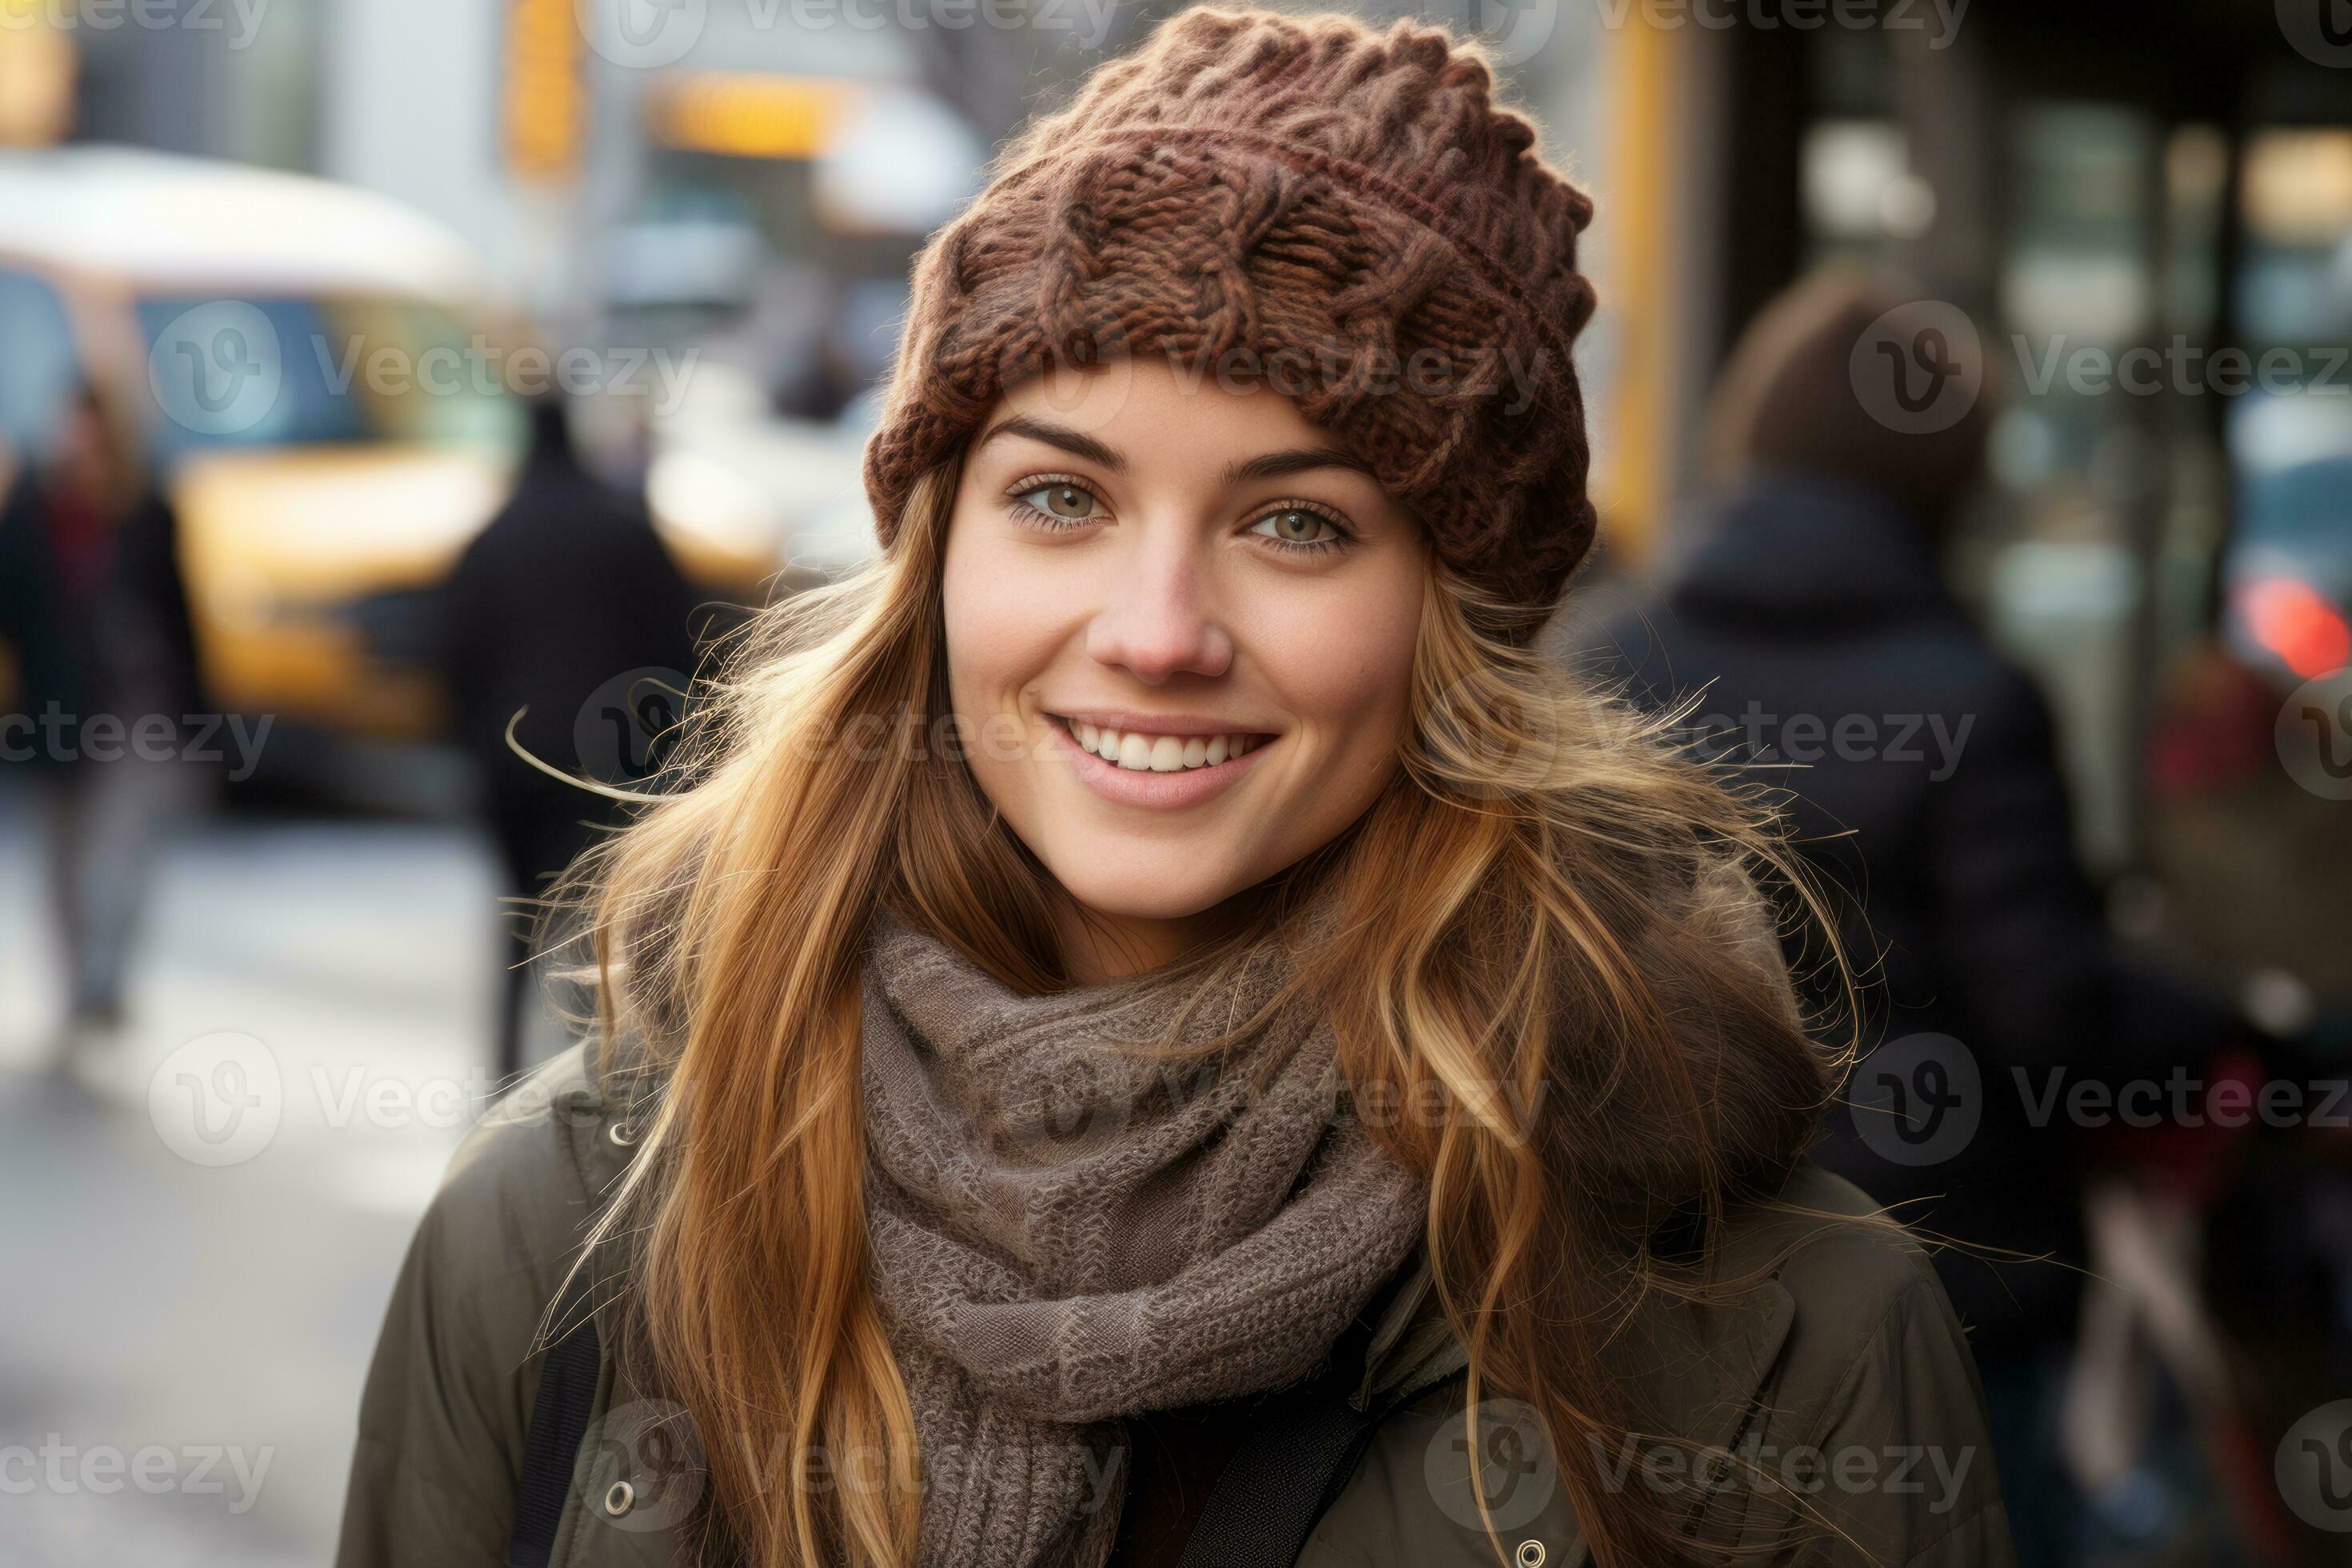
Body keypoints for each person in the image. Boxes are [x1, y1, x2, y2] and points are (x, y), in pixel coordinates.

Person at [338, 14, 2014, 1568]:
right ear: (934, 560)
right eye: (1062, 496)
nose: (1155, 635)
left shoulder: (1777, 1332)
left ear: (1457, 624)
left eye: (1296, 523)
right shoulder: (562, 1229)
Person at [1585, 267, 2255, 1565]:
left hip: (1643, 1304)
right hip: (1935, 1311)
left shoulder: (1598, 666)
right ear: (1948, 480)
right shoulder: (1972, 697)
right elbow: (2054, 1015)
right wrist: (2240, 1029)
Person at [430, 393, 707, 1079]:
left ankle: (503, 1072)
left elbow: (448, 653)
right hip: (605, 765)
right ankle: (588, 1077)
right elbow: (681, 648)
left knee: (520, 921)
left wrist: (471, 744)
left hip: (509, 769)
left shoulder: (492, 539)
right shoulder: (624, 532)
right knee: (596, 924)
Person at [0, 386, 208, 1071]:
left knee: (123, 850)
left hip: (133, 706)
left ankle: (103, 979)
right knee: (63, 854)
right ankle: (77, 986)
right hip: (55, 710)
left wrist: (206, 720)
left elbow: (180, 617)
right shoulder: (34, 512)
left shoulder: (146, 511)